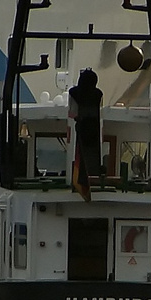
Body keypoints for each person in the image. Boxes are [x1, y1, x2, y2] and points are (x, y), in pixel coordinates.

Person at [68, 68, 104, 202]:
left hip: (82, 133)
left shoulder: (73, 93)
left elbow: (72, 112)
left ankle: (81, 179)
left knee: (81, 154)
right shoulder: (98, 94)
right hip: (93, 135)